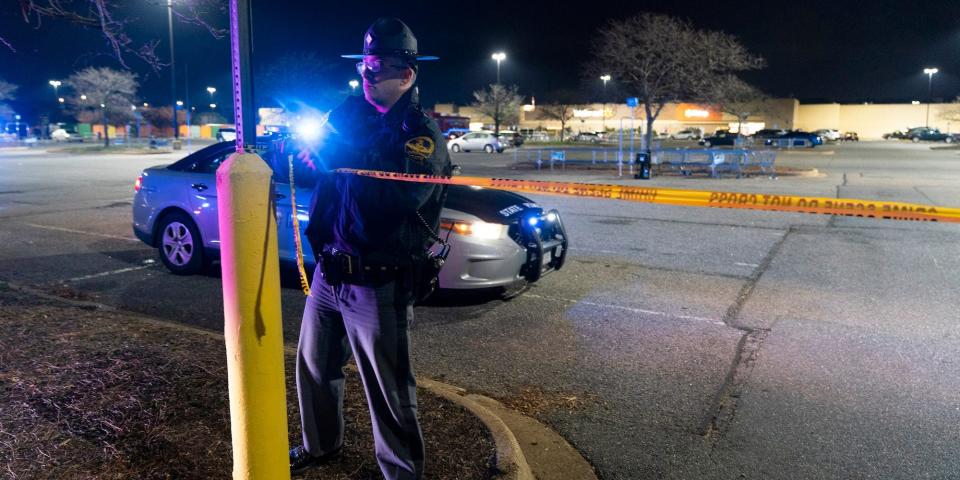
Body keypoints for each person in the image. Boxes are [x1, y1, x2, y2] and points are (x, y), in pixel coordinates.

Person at [289, 17, 450, 479]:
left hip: (379, 279)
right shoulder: (347, 113)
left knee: (389, 388)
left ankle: (402, 472)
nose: (367, 74)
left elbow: (396, 202)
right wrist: (303, 157)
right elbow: (318, 161)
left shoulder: (419, 137)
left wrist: (340, 163)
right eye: (365, 64)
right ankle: (320, 446)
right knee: (315, 366)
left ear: (407, 75)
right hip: (330, 270)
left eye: (378, 67)